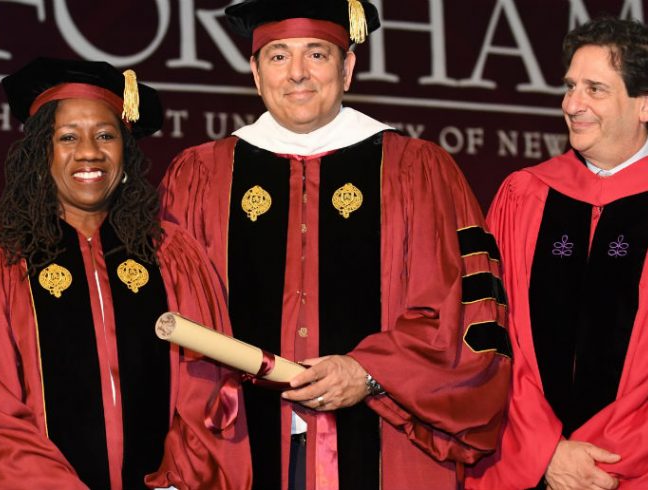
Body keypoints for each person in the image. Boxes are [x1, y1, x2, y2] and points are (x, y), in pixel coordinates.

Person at [158, 0, 511, 488]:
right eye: (279, 56)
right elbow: (175, 323)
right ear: (255, 73)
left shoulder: (418, 170)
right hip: (237, 448)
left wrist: (368, 372)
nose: (298, 73)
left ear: (347, 69)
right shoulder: (200, 176)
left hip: (389, 440)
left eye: (317, 55)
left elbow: (459, 313)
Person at [0, 57, 250, 490]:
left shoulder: (173, 257)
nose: (89, 152)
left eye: (105, 135)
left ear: (125, 149)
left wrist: (178, 481)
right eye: (67, 137)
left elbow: (211, 387)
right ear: (40, 154)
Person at [466, 17, 648, 490]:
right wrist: (544, 451)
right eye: (570, 86)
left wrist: (607, 461)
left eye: (595, 89)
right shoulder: (524, 195)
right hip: (527, 462)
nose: (571, 104)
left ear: (647, 102)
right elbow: (489, 335)